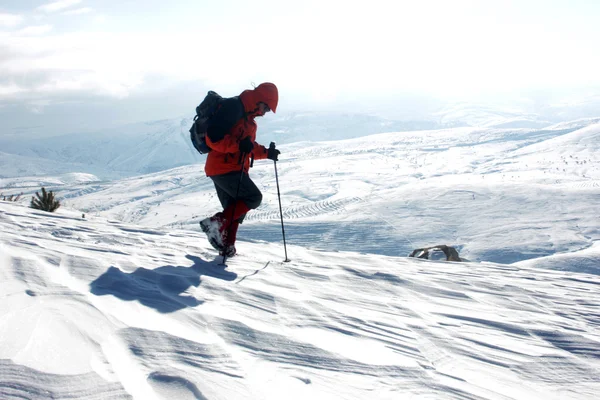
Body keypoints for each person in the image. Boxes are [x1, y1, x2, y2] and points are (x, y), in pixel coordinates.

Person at [199, 82, 280, 257]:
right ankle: (215, 223)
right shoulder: (234, 108)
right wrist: (238, 145)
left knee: (234, 209)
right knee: (253, 197)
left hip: (224, 168)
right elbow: (212, 138)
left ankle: (227, 246)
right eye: (266, 109)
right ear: (261, 100)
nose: (264, 114)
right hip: (225, 167)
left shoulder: (248, 120)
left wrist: (267, 153)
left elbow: (247, 146)